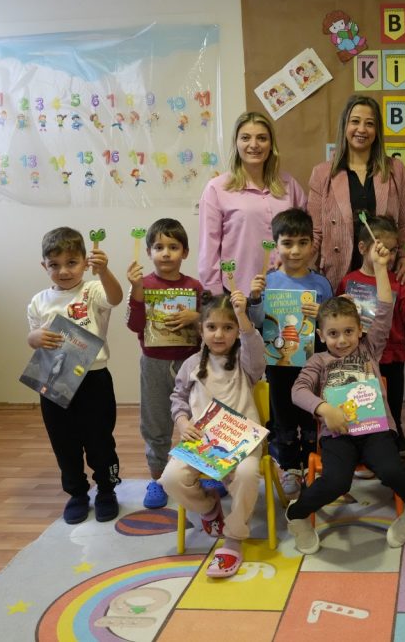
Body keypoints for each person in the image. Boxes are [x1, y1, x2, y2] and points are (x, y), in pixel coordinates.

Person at [285, 240, 405, 554]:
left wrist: (379, 268)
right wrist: (324, 409)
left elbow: (386, 308)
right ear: (321, 335)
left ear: (360, 331)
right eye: (333, 334)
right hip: (339, 435)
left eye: (349, 332)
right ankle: (296, 516)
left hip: (375, 430)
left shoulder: (370, 348)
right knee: (337, 482)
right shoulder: (318, 362)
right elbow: (298, 391)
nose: (342, 340)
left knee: (392, 470)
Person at [160, 292, 266, 578]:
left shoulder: (247, 363)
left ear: (237, 331)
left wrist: (242, 315)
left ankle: (233, 538)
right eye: (212, 327)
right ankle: (209, 507)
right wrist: (182, 423)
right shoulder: (191, 364)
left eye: (228, 328)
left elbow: (255, 348)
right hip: (201, 442)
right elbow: (178, 399)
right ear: (201, 329)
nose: (219, 334)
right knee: (170, 479)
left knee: (246, 475)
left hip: (242, 441)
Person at [26, 227, 124, 523]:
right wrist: (35, 338)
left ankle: (106, 490)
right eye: (54, 265)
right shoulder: (38, 301)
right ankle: (77, 493)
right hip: (54, 380)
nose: (63, 271)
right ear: (44, 266)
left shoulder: (93, 289)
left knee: (100, 439)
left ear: (85, 262)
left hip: (94, 379)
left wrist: (104, 271)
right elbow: (32, 335)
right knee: (63, 442)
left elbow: (116, 298)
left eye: (71, 262)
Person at [248, 209, 332, 497]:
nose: (295, 251)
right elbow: (256, 323)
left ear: (313, 245)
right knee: (282, 417)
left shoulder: (320, 284)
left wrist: (322, 314)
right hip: (279, 365)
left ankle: (311, 463)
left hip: (312, 364)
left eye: (302, 242)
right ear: (275, 245)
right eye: (287, 243)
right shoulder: (267, 280)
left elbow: (332, 326)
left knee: (310, 417)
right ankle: (290, 467)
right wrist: (255, 298)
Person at [125, 219, 203, 509]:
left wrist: (195, 317)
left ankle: (202, 472)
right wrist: (135, 291)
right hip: (154, 363)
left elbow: (208, 325)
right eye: (159, 247)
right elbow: (135, 325)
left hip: (190, 363)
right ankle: (157, 478)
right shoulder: (143, 285)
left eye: (173, 247)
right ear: (148, 252)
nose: (166, 253)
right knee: (156, 422)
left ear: (185, 252)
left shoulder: (194, 286)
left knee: (196, 419)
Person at [308, 94, 405, 291]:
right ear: (345, 126)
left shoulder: (395, 169)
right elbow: (315, 232)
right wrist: (297, 260)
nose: (361, 129)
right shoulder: (322, 173)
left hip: (385, 271)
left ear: (377, 131)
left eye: (369, 123)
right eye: (355, 122)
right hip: (338, 275)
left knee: (385, 322)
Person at [336, 215, 405, 457]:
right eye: (383, 248)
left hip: (392, 354)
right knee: (363, 401)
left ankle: (396, 430)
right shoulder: (349, 281)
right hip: (360, 357)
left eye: (394, 250)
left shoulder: (399, 280)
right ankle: (365, 439)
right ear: (363, 248)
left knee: (392, 401)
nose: (391, 255)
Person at [199, 111, 307, 295]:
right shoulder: (217, 189)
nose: (254, 145)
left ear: (271, 144)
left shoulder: (290, 185)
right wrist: (216, 297)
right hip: (237, 293)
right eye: (246, 138)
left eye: (262, 138)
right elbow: (208, 250)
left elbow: (307, 236)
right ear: (236, 143)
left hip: (286, 291)